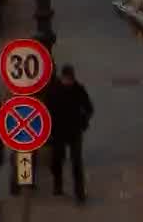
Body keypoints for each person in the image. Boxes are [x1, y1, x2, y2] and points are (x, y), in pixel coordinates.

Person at [42, 65, 93, 203]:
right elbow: (45, 110)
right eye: (68, 78)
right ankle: (57, 183)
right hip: (58, 131)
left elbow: (89, 107)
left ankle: (79, 192)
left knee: (76, 161)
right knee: (57, 159)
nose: (70, 81)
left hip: (74, 131)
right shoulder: (54, 90)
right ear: (63, 77)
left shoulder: (78, 89)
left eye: (71, 78)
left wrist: (83, 122)